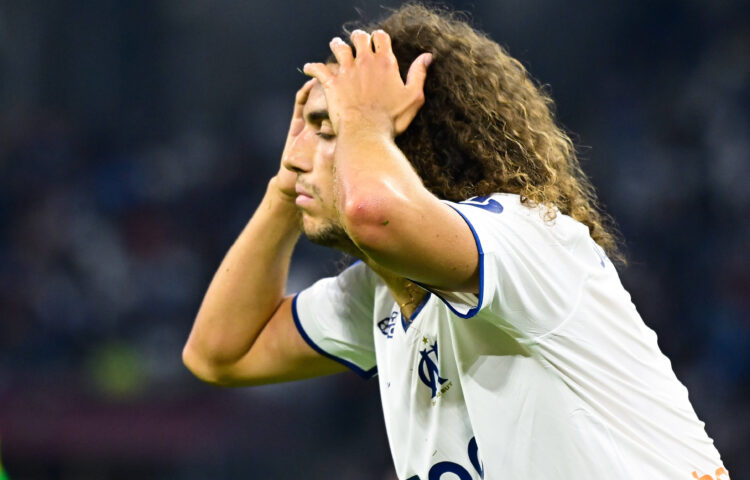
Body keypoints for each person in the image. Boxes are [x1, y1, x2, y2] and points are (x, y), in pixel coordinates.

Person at [183, 5, 729, 479]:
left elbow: (372, 212)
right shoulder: (381, 296)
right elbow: (219, 353)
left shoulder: (524, 236)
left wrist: (364, 124)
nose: (300, 153)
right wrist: (285, 188)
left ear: (403, 142)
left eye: (329, 129)